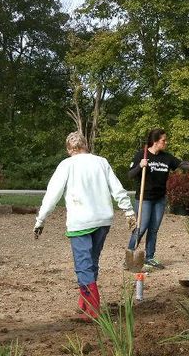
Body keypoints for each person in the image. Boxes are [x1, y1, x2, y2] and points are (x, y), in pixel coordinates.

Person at [34, 132, 136, 318]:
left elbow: (52, 195)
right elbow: (117, 188)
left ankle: (93, 308)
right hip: (103, 220)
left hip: (80, 222)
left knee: (83, 265)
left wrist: (41, 220)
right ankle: (85, 302)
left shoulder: (66, 165)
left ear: (68, 149)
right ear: (86, 145)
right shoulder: (101, 162)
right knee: (92, 261)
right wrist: (128, 211)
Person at [126, 128, 189, 269]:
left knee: (154, 229)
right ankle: (130, 256)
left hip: (159, 199)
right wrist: (140, 165)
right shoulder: (141, 155)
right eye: (163, 140)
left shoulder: (166, 157)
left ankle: (149, 257)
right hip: (145, 198)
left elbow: (183, 164)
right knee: (141, 227)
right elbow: (130, 175)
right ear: (155, 142)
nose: (166, 142)